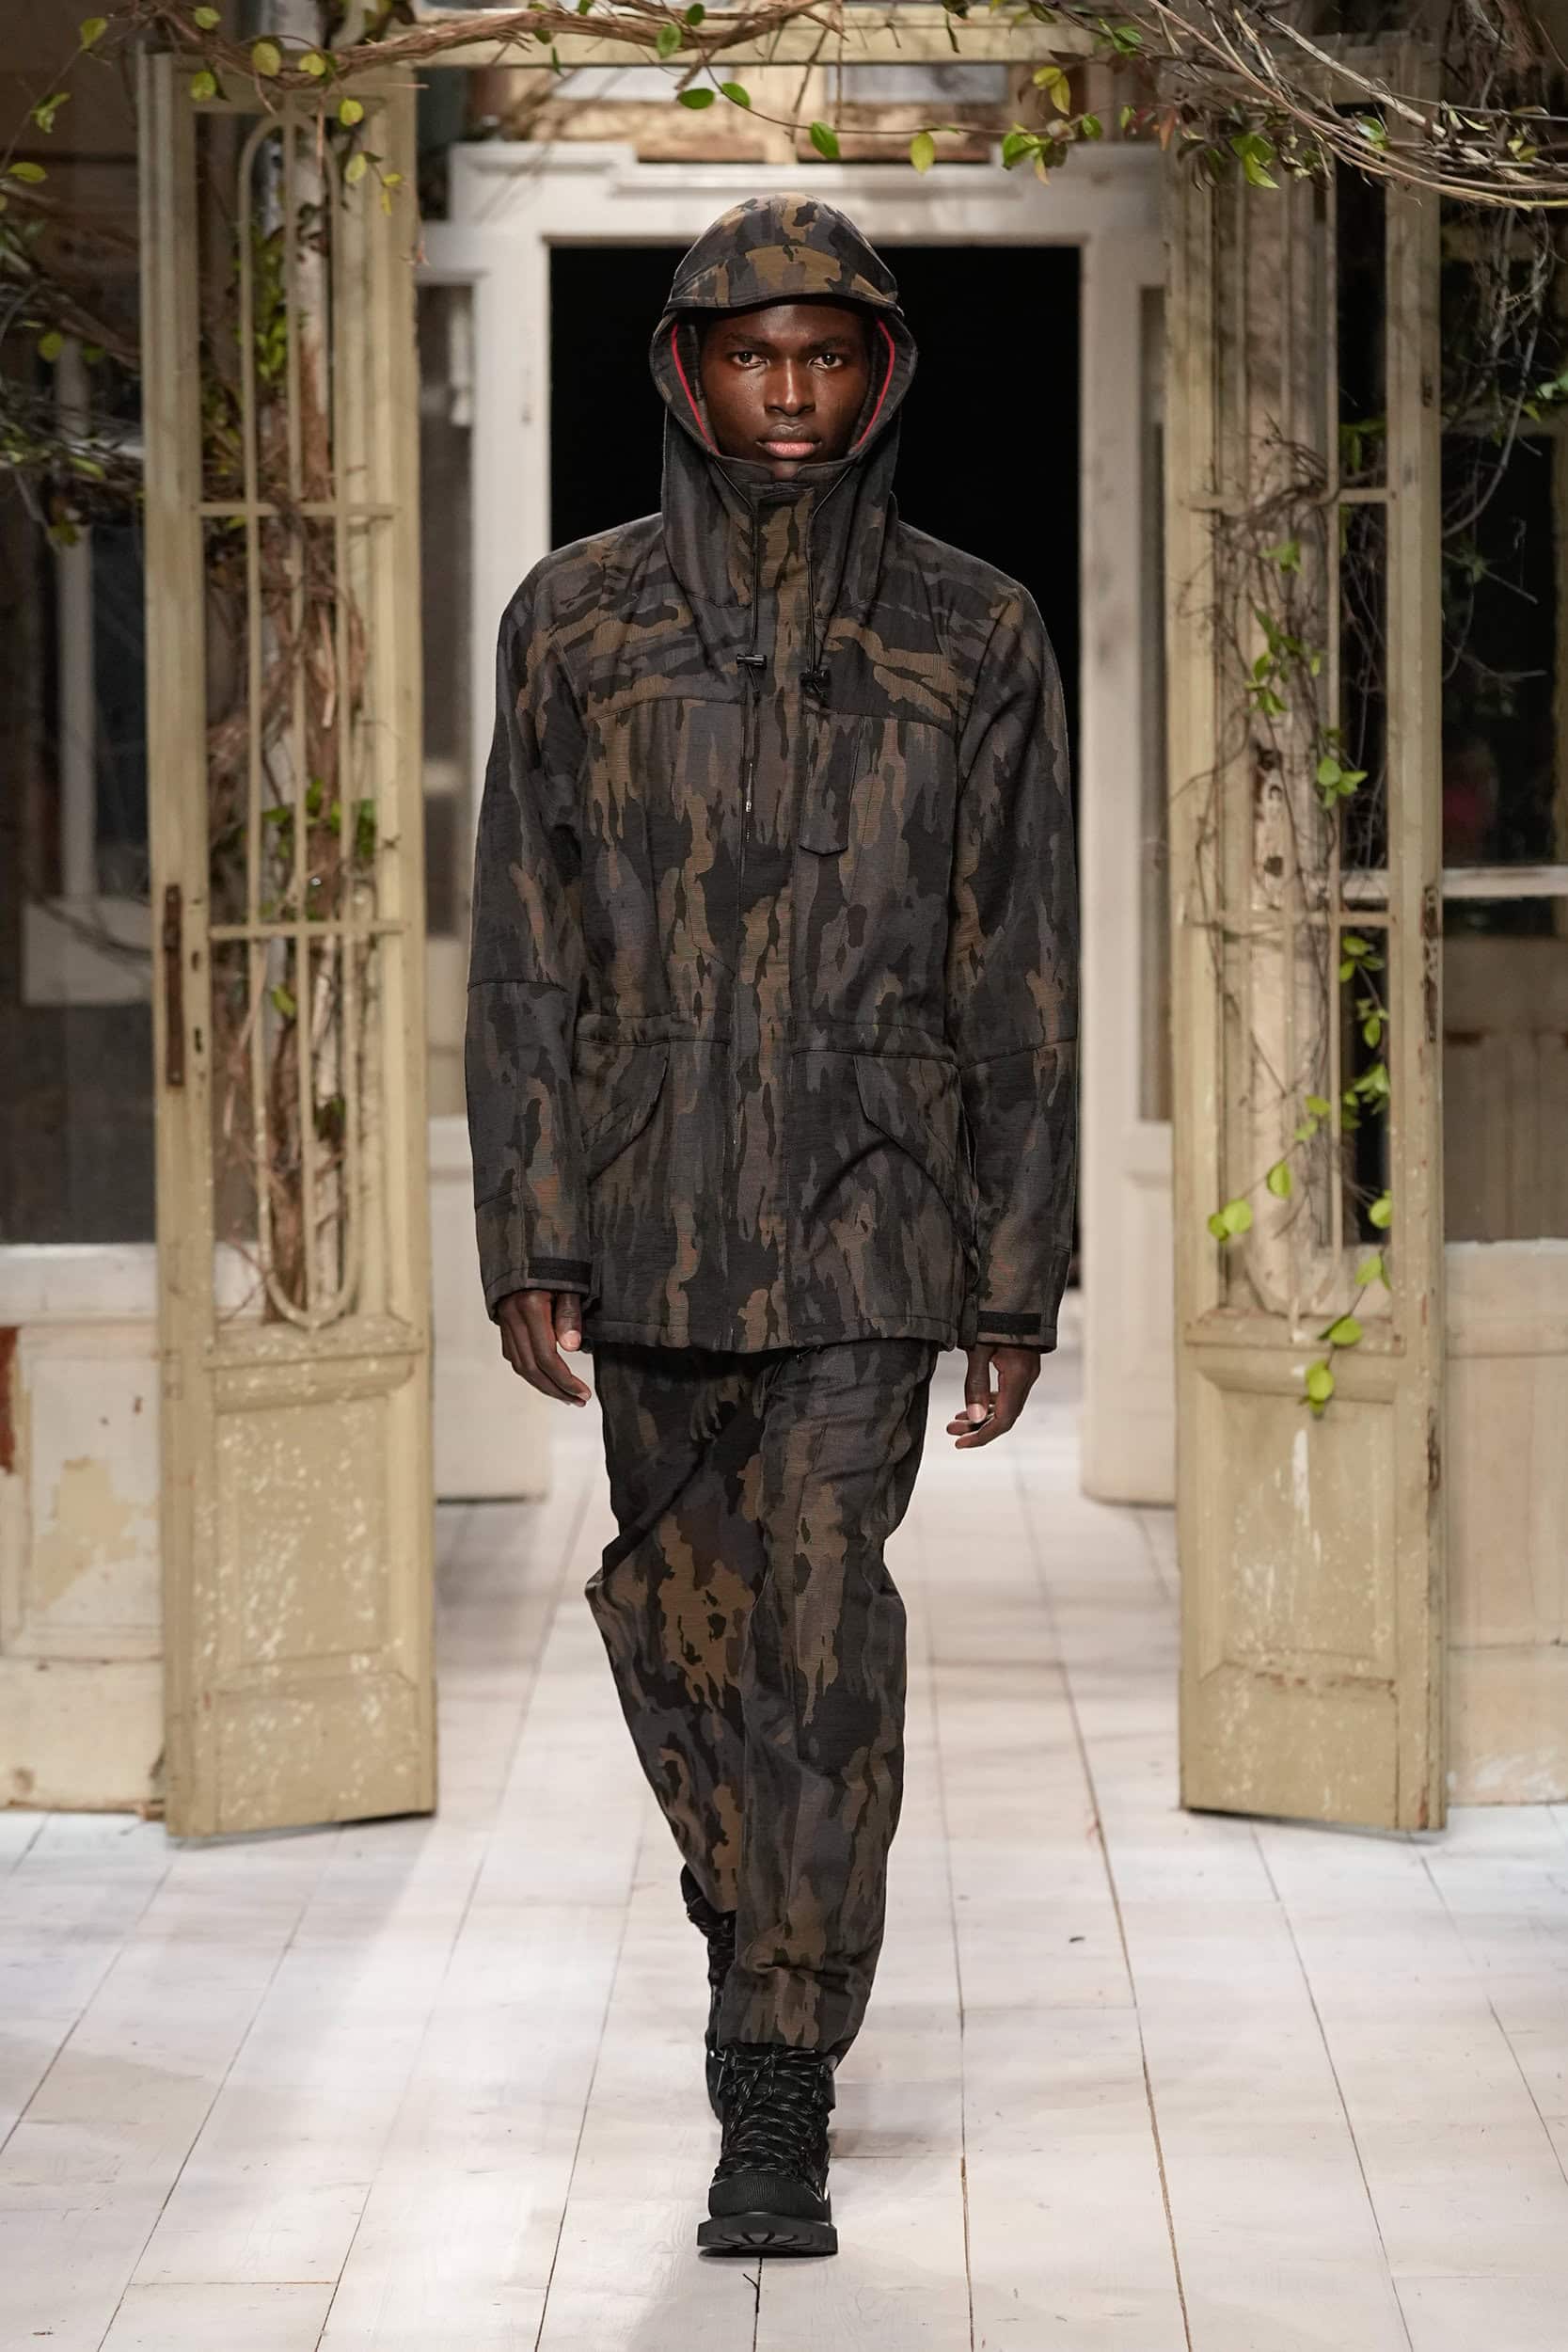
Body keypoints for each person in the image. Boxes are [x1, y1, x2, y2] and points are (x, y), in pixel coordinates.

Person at [466, 193, 1077, 2258]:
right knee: (677, 1616)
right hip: (647, 1209)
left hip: (871, 1214)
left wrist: (1015, 1267)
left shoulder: (975, 631)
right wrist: (528, 1222)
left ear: (879, 374)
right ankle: (764, 1921)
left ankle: (775, 2077)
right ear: (689, 374)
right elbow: (526, 945)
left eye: (825, 355)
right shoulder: (577, 621)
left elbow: (1020, 962)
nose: (789, 392)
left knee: (821, 1621)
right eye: (753, 356)